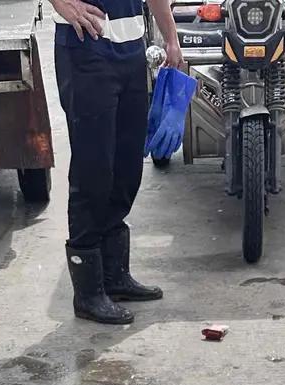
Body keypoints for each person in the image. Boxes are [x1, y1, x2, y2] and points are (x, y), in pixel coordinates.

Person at [51, 0, 184, 326]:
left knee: (127, 167)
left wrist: (171, 37)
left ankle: (114, 277)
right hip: (84, 50)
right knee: (93, 169)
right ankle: (87, 293)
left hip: (131, 51)